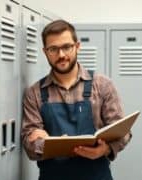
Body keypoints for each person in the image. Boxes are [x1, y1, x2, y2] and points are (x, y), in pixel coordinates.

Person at [21, 19, 132, 180]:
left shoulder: (102, 85)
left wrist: (105, 149)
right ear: (45, 52)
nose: (61, 55)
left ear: (77, 46)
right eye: (53, 49)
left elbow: (123, 133)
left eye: (67, 47)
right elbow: (29, 143)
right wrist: (44, 144)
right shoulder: (34, 93)